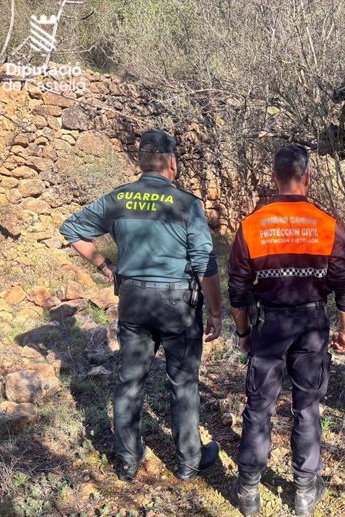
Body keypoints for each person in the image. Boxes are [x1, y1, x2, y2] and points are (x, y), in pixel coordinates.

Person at [59, 129, 223, 482]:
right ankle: (188, 462)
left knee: (130, 380)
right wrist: (217, 311)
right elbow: (204, 263)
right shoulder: (186, 204)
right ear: (172, 163)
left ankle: (128, 462)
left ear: (140, 162)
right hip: (178, 302)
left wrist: (106, 268)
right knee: (182, 383)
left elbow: (72, 229)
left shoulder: (117, 199)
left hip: (133, 299)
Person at [228, 144, 345, 516]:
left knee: (259, 405)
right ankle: (303, 491)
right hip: (312, 324)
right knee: (307, 407)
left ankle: (249, 490)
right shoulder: (328, 225)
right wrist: (343, 329)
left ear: (274, 177)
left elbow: (238, 290)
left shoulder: (252, 225)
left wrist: (243, 332)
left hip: (268, 323)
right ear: (307, 178)